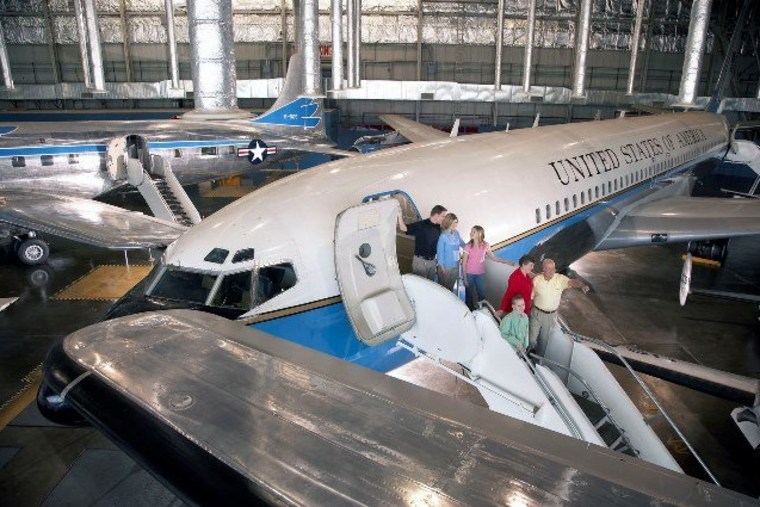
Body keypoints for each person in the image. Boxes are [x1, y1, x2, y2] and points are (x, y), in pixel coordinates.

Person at [529, 258, 590, 351]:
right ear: (543, 269)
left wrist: (581, 285)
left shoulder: (560, 279)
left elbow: (572, 282)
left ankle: (540, 360)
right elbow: (530, 296)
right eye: (549, 269)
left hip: (550, 316)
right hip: (536, 313)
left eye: (553, 269)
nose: (551, 271)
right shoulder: (537, 279)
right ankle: (528, 355)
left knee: (545, 340)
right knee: (531, 337)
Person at [461, 225, 515, 310]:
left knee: (482, 295)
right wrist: (465, 278)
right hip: (469, 274)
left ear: (479, 233)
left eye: (473, 231)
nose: (470, 233)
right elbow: (464, 263)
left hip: (480, 274)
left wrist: (507, 262)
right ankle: (471, 311)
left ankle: (483, 311)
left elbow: (493, 257)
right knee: (469, 296)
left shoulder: (485, 245)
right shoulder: (468, 246)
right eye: (471, 231)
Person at [398, 204, 447, 280]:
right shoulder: (421, 225)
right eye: (443, 216)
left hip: (432, 262)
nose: (444, 218)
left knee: (430, 285)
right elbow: (403, 228)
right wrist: (400, 216)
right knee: (420, 285)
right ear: (436, 215)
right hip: (420, 262)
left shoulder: (438, 227)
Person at [436, 213, 465, 291]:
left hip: (456, 265)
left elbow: (462, 244)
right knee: (442, 288)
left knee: (450, 287)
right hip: (445, 267)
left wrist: (474, 245)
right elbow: (440, 252)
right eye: (454, 223)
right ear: (449, 222)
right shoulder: (443, 236)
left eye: (456, 222)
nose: (456, 225)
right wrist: (442, 267)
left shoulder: (457, 234)